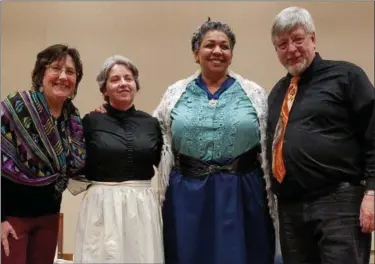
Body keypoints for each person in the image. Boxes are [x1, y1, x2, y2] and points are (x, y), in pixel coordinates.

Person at [153, 18, 277, 264]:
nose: (217, 51)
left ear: (231, 55)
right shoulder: (175, 93)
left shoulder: (254, 94)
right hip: (187, 194)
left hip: (242, 193)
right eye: (210, 45)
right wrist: (114, 115)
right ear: (195, 53)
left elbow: (272, 140)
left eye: (225, 46)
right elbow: (151, 133)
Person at [266, 6, 375, 264]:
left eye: (297, 39)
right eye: (282, 44)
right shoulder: (277, 93)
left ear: (313, 38)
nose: (291, 49)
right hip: (291, 209)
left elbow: (373, 133)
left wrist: (372, 192)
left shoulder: (347, 76)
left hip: (339, 203)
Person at [73, 55, 164, 263]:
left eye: (128, 78)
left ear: (136, 85)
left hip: (141, 206)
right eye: (115, 79)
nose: (123, 83)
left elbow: (164, 163)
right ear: (104, 89)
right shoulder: (90, 121)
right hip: (101, 206)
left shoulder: (151, 123)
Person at [1, 44, 86, 264]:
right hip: (12, 217)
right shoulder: (15, 107)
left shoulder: (73, 119)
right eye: (56, 68)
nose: (63, 77)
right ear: (42, 74)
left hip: (49, 217)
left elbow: (79, 165)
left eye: (70, 72)